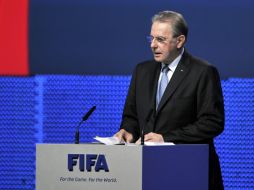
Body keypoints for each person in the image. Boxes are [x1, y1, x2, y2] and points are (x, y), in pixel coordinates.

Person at [114, 10, 224, 189]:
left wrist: (165, 138)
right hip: (148, 171)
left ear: (180, 41)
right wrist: (128, 131)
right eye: (151, 39)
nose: (153, 45)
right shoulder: (142, 71)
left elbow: (212, 122)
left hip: (190, 170)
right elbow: (131, 116)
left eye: (160, 39)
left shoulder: (203, 72)